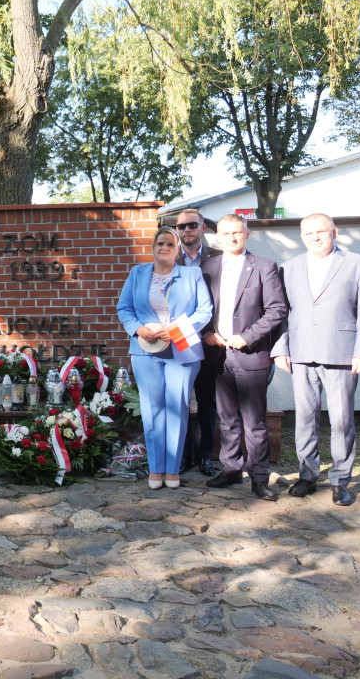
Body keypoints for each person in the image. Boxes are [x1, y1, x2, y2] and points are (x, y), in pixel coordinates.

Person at [271, 213, 360, 507]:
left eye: (321, 231)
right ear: (302, 236)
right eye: (309, 233)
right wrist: (281, 348)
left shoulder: (358, 264)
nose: (315, 237)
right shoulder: (290, 267)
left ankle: (340, 480)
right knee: (305, 419)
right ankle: (307, 475)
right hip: (301, 354)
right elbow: (282, 314)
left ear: (334, 231)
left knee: (341, 420)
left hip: (342, 354)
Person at [117, 226, 213, 489]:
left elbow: (205, 310)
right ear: (153, 247)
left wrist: (175, 330)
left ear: (178, 249)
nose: (165, 248)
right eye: (160, 243)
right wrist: (139, 329)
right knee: (152, 410)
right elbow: (124, 308)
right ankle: (155, 469)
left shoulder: (192, 274)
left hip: (182, 350)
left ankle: (173, 470)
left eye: (170, 244)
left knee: (177, 409)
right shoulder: (137, 273)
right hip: (146, 350)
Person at [200, 215, 288, 501]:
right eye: (226, 233)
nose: (232, 238)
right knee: (226, 418)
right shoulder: (208, 267)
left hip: (250, 354)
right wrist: (208, 332)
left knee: (254, 421)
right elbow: (200, 307)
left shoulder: (264, 267)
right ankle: (231, 469)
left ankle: (259, 478)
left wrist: (248, 336)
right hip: (217, 354)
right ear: (219, 237)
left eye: (237, 232)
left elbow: (277, 309)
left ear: (246, 234)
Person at [174, 207, 221, 477]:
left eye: (193, 225)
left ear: (203, 228)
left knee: (206, 400)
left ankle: (205, 456)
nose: (187, 230)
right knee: (179, 400)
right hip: (176, 341)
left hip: (208, 340)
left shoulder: (220, 259)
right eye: (182, 226)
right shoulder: (169, 257)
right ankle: (181, 456)